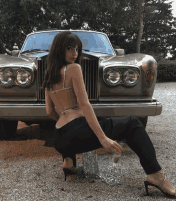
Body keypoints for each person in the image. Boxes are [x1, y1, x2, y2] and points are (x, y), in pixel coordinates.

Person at [42, 31, 176, 198]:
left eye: (76, 49)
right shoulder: (74, 68)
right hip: (76, 134)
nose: (74, 53)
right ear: (59, 49)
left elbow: (49, 111)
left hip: (59, 139)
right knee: (133, 123)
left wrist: (66, 122)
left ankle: (68, 161)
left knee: (92, 123)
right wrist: (102, 138)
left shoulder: (48, 75)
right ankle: (155, 175)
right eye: (69, 48)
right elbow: (84, 104)